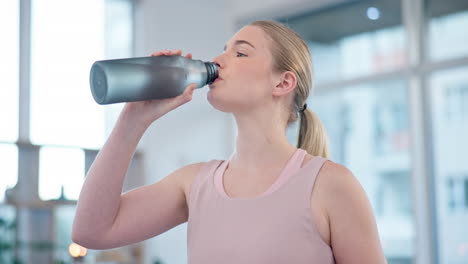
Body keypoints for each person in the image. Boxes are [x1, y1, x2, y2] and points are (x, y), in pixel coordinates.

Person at [72, 20, 387, 263]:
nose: (219, 60)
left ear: (283, 81)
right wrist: (133, 120)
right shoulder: (194, 183)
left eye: (240, 52)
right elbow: (91, 231)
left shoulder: (331, 185)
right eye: (224, 49)